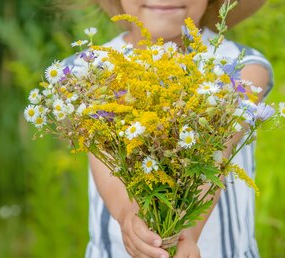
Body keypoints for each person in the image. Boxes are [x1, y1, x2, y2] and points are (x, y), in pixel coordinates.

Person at [63, 0, 274, 257]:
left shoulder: (243, 68)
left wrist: (186, 233)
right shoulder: (89, 70)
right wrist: (127, 216)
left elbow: (218, 150)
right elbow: (105, 158)